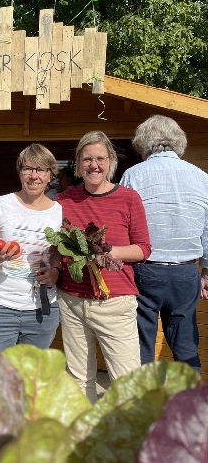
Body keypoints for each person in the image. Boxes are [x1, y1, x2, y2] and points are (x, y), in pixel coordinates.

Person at [56, 131, 151, 402]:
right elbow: (39, 221)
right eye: (87, 159)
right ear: (78, 162)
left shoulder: (129, 198)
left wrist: (109, 252)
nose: (93, 165)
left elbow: (143, 248)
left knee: (125, 379)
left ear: (111, 160)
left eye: (100, 158)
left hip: (115, 301)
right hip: (72, 299)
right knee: (79, 378)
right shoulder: (64, 199)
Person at [120, 115, 208, 372]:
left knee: (140, 343)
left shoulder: (133, 175)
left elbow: (123, 224)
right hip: (186, 272)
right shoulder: (202, 177)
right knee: (186, 344)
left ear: (143, 143)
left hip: (144, 269)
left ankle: (142, 407)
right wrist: (206, 272)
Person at [0, 143, 63, 352]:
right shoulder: (0, 205)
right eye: (28, 169)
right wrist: (1, 257)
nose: (34, 176)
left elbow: (59, 255)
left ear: (50, 175)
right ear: (20, 172)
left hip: (41, 310)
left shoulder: (60, 211)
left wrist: (55, 273)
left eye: (41, 169)